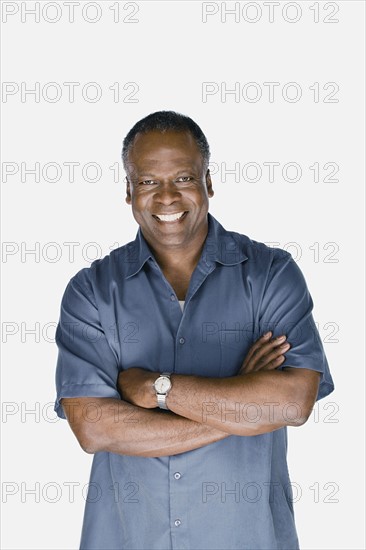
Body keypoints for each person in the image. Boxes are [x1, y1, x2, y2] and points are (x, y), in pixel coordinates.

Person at [54, 111, 334, 550]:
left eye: (184, 177)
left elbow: (294, 402)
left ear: (209, 183)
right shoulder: (91, 290)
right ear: (128, 191)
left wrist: (156, 389)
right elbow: (94, 429)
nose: (167, 196)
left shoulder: (271, 274)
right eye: (148, 181)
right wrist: (243, 405)